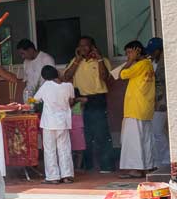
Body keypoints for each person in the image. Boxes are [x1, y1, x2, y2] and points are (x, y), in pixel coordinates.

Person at [63, 36, 114, 173]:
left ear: (93, 46)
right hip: (80, 99)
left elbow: (105, 78)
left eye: (86, 45)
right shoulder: (75, 61)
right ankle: (88, 165)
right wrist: (77, 60)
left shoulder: (101, 61)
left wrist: (99, 59)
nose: (83, 48)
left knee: (101, 132)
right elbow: (66, 77)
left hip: (97, 99)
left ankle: (107, 165)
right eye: (80, 45)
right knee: (84, 133)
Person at [118, 40, 155, 178]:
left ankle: (135, 169)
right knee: (145, 140)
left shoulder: (140, 64)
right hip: (145, 108)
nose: (128, 55)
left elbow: (121, 74)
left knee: (133, 140)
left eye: (129, 52)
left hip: (135, 108)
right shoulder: (148, 64)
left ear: (137, 50)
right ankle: (147, 166)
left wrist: (131, 61)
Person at [33, 65, 75, 184]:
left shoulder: (46, 86)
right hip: (63, 122)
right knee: (64, 148)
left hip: (49, 123)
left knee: (49, 150)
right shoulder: (68, 86)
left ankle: (53, 177)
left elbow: (35, 99)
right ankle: (67, 175)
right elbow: (71, 101)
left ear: (44, 77)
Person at [146, 37, 169, 171]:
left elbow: (162, 84)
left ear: (159, 50)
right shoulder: (153, 62)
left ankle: (166, 160)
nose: (150, 54)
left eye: (153, 51)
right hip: (155, 102)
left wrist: (158, 101)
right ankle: (160, 161)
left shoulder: (164, 63)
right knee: (158, 132)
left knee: (157, 131)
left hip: (161, 102)